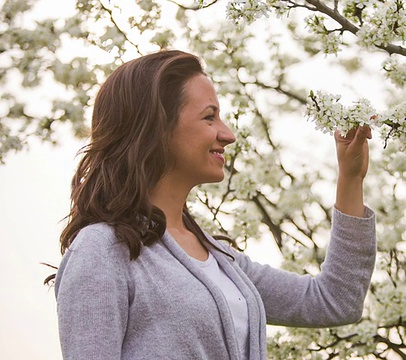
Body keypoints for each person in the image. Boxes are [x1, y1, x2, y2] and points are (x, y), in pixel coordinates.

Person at [53, 50, 376, 359]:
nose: (228, 134)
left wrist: (350, 178)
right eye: (210, 117)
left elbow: (336, 300)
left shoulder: (221, 259)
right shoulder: (102, 250)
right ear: (157, 126)